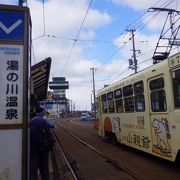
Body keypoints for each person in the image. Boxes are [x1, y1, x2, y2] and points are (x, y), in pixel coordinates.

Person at [29, 107, 55, 180]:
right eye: (43, 113)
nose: (43, 114)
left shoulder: (30, 123)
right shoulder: (43, 121)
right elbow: (49, 128)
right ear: (39, 113)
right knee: (44, 170)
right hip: (44, 149)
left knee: (33, 171)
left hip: (33, 151)